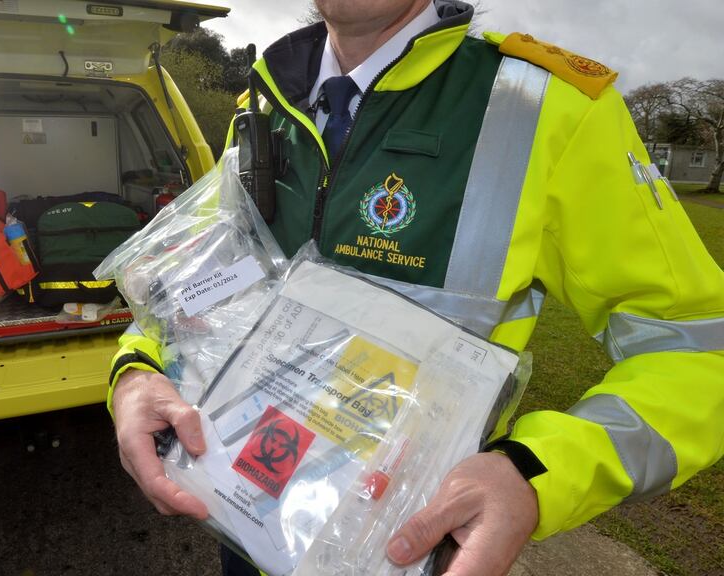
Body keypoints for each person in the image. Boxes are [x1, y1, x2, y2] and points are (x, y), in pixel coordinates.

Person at [108, 1, 724, 575]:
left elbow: (701, 352)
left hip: (402, 541)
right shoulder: (263, 104)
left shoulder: (548, 108)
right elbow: (200, 286)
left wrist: (533, 473)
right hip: (240, 514)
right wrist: (137, 368)